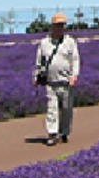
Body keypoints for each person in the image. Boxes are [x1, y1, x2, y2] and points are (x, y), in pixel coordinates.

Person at [33, 13, 80, 146]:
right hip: (50, 81)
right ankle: (52, 134)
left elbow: (75, 60)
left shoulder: (70, 42)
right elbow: (39, 61)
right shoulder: (44, 43)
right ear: (52, 26)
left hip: (66, 81)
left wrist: (74, 76)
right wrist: (36, 76)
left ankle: (64, 132)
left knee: (66, 109)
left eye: (62, 25)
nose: (60, 28)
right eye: (57, 25)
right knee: (51, 109)